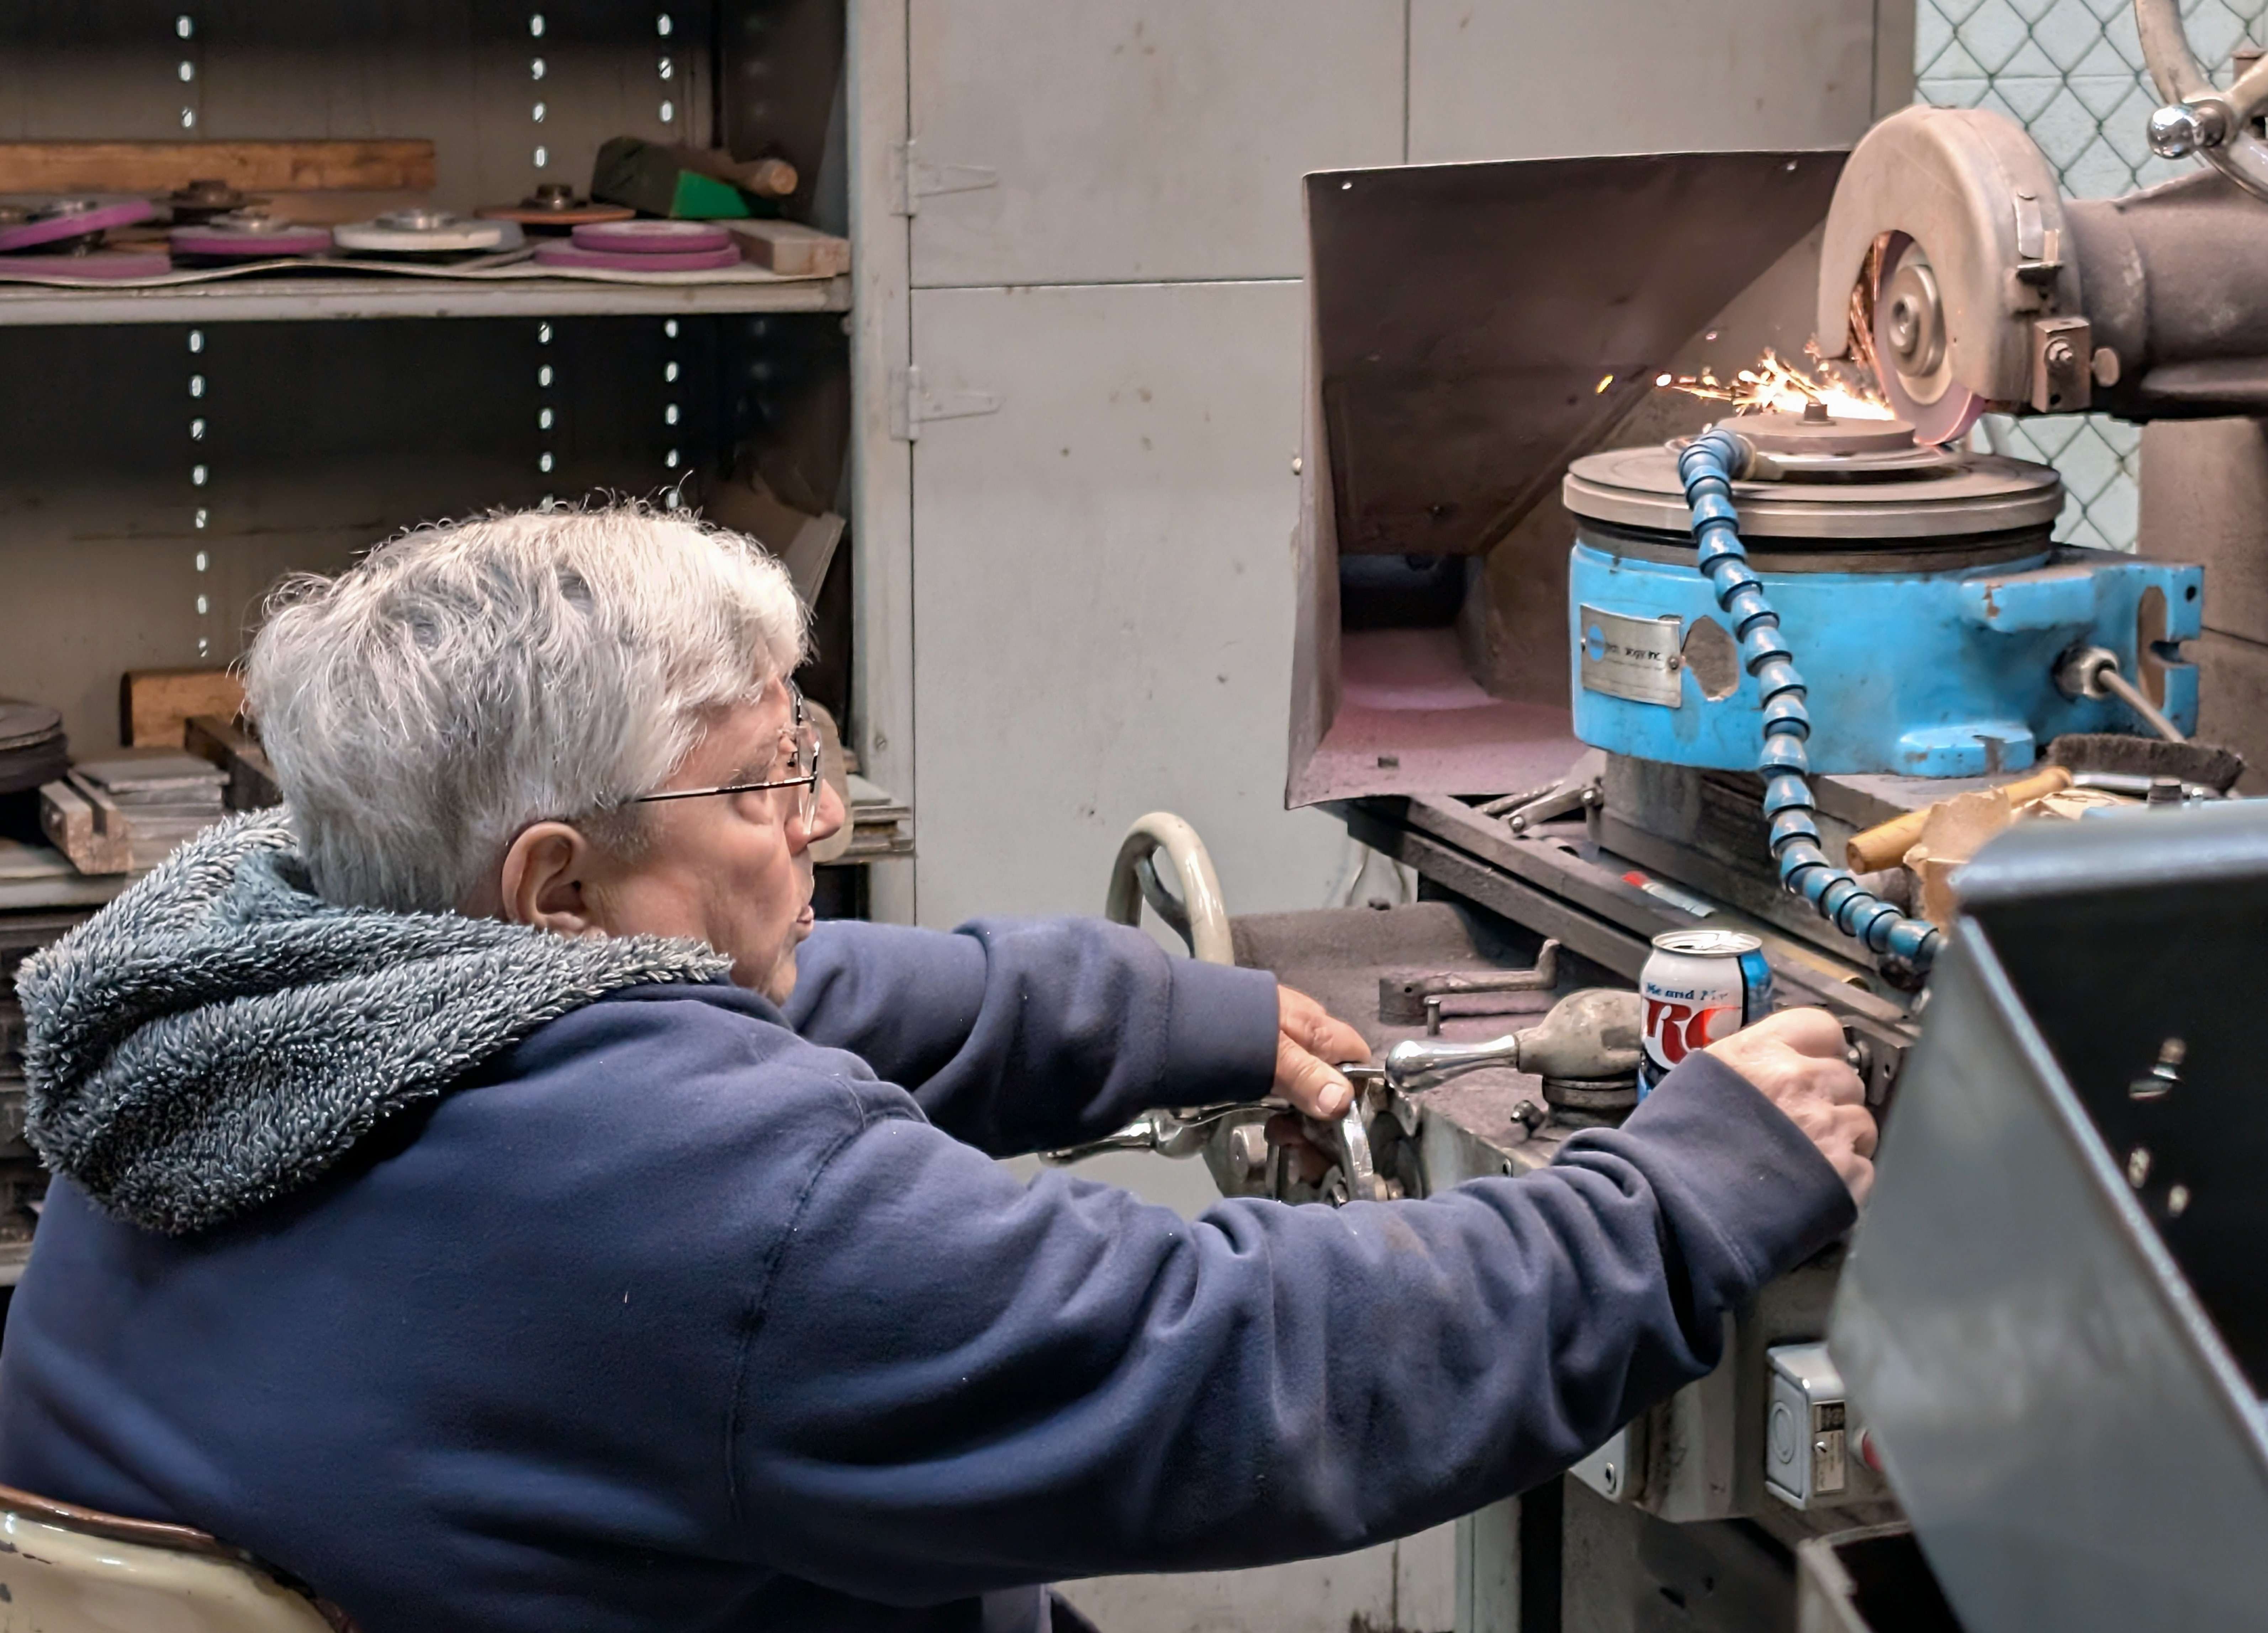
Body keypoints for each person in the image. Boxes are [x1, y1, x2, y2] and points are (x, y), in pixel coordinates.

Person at [0, 505, 1874, 1633]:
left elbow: (773, 1001)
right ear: (554, 887)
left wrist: (1160, 1012)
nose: (812, 824)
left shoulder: (248, 993)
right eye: (755, 791)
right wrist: (1680, 1189)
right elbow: (1242, 1366)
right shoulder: (714, 1218)